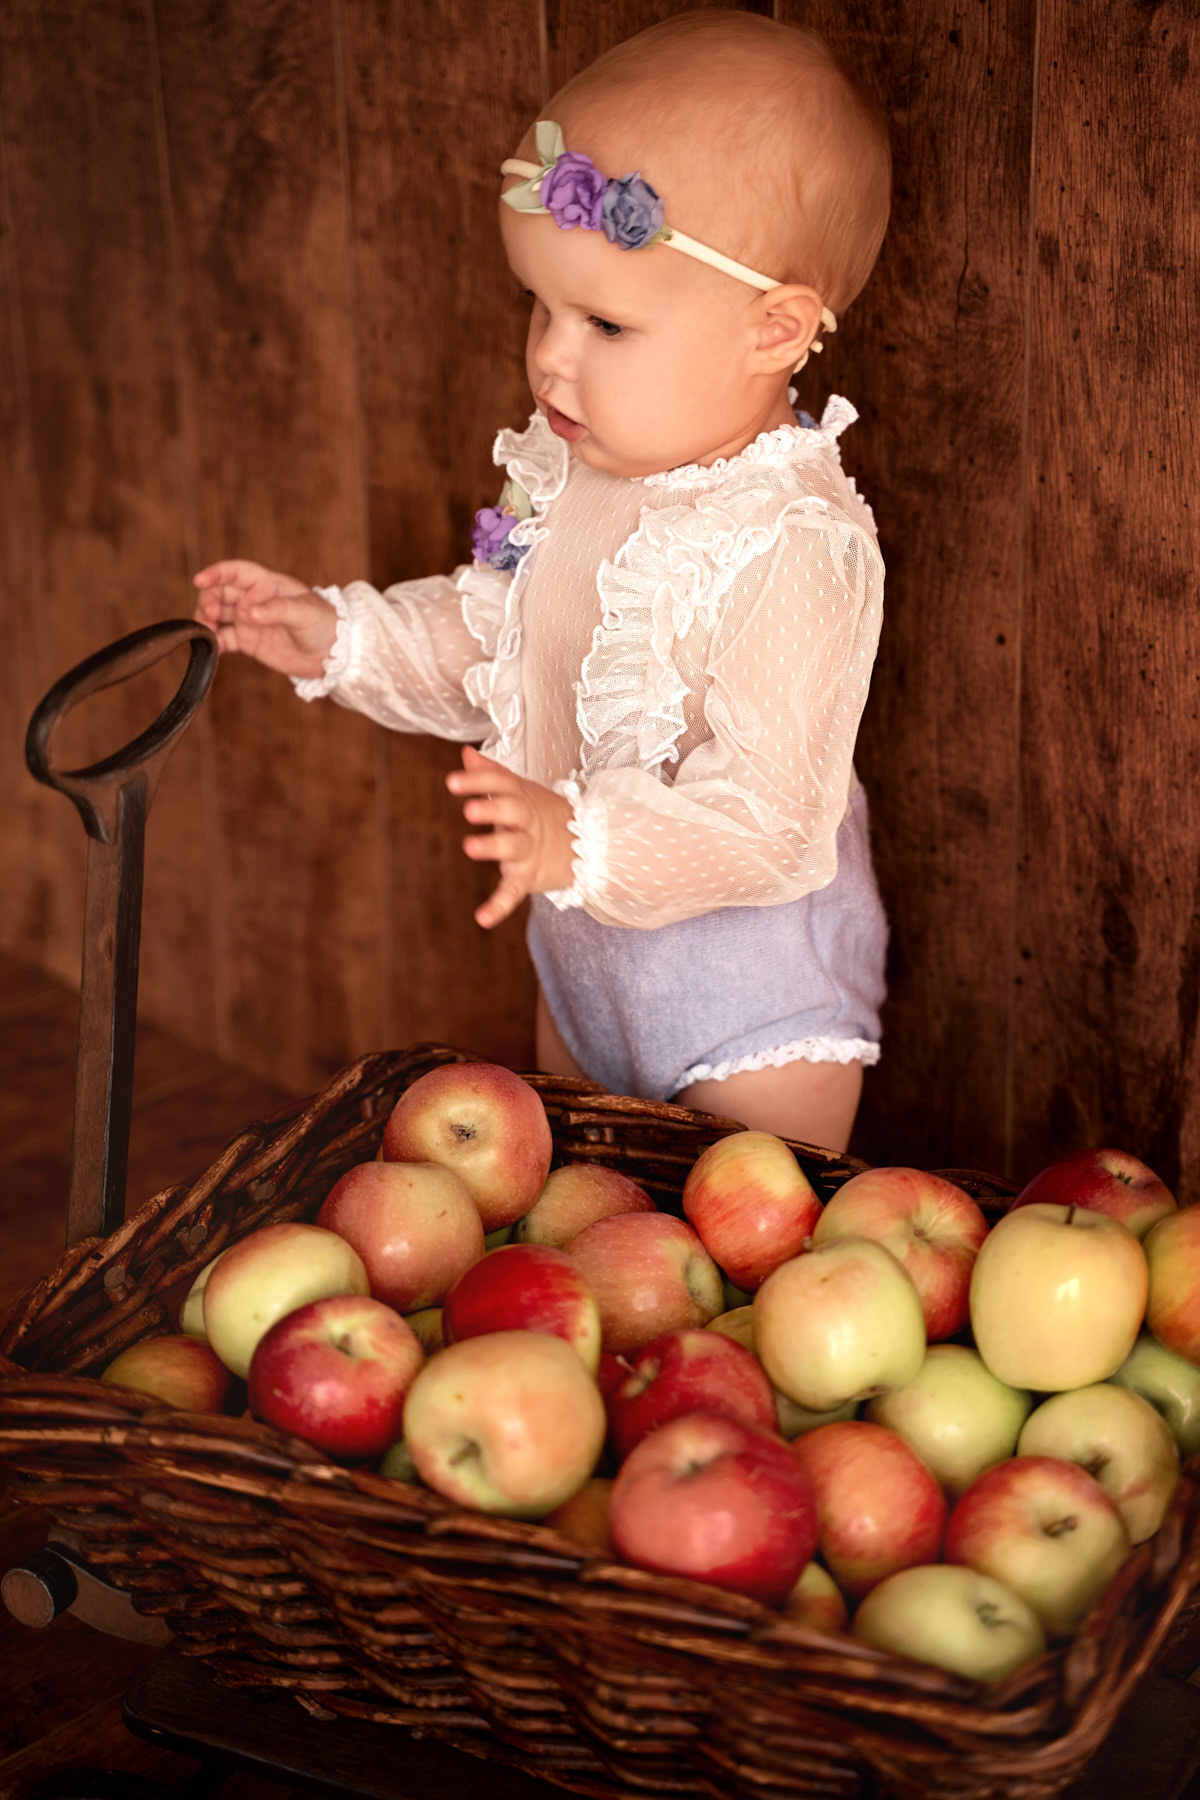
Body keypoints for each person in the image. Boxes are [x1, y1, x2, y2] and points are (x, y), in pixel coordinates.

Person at [192, 10, 892, 1153]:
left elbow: (775, 821)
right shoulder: (571, 471)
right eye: (541, 304)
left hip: (752, 1010)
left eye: (606, 323)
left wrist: (581, 843)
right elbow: (495, 639)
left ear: (774, 331)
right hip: (580, 973)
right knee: (578, 1237)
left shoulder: (794, 540)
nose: (550, 356)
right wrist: (339, 637)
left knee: (750, 1257)